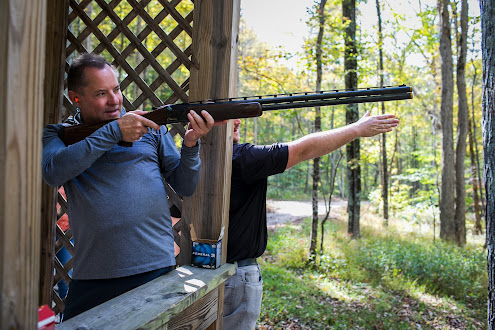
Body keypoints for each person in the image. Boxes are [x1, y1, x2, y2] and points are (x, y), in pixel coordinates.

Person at [42, 53, 220, 321]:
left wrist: (192, 144)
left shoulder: (149, 127)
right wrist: (115, 131)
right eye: (101, 93)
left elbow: (185, 184)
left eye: (116, 89)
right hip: (94, 276)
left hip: (156, 268)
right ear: (75, 98)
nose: (114, 100)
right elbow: (53, 172)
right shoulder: (57, 135)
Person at [223, 111, 400, 329]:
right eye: (228, 115)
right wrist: (357, 129)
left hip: (207, 272)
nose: (238, 121)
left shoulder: (192, 159)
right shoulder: (239, 158)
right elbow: (301, 150)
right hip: (235, 276)